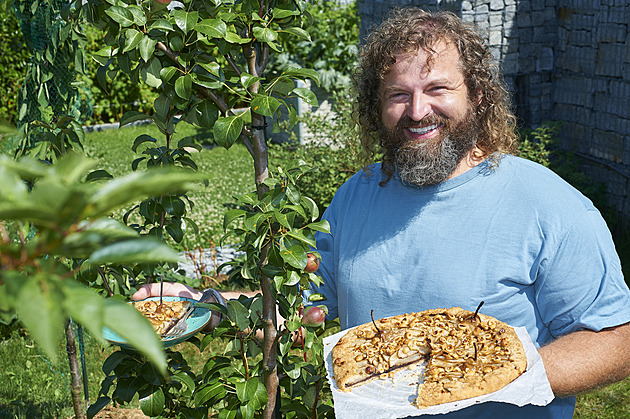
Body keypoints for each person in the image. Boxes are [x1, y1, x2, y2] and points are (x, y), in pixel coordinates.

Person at [135, 8, 630, 418]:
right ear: (377, 106)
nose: (417, 110)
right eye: (398, 94)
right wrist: (202, 306)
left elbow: (617, 340)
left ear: (477, 96)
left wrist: (497, 373)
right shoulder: (356, 196)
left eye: (438, 88)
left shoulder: (548, 204)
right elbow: (305, 305)